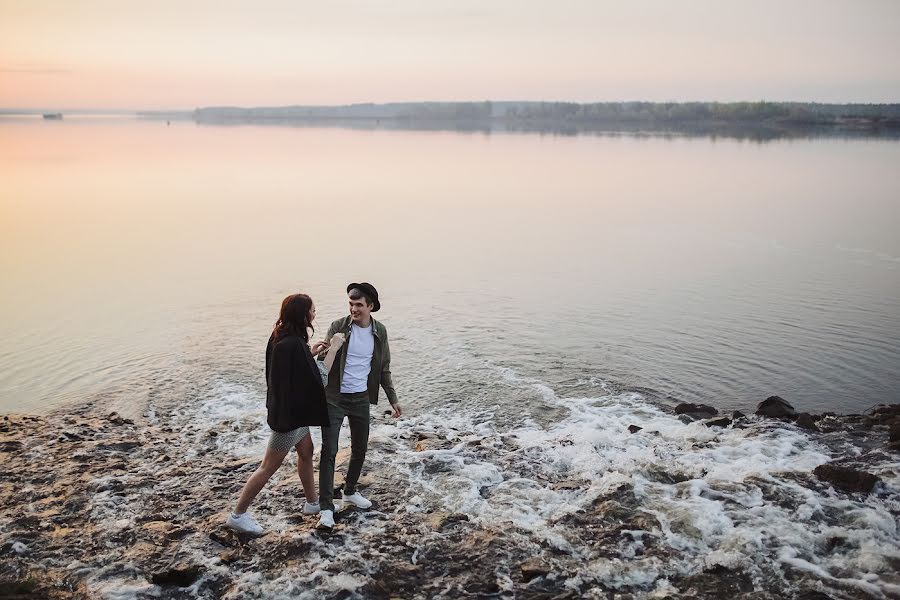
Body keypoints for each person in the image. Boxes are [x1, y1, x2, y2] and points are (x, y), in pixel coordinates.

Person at [225, 293, 331, 535]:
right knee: (267, 467)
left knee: (306, 450)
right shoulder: (291, 343)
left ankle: (312, 503)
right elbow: (318, 381)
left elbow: (291, 370)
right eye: (313, 310)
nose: (315, 313)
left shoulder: (281, 338)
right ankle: (238, 515)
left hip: (287, 410)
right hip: (288, 419)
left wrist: (309, 353)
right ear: (303, 314)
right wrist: (331, 352)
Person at [316, 282, 401, 530]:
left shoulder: (380, 332)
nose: (354, 309)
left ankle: (350, 490)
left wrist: (393, 398)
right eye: (351, 304)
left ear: (370, 306)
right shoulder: (338, 327)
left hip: (361, 398)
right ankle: (325, 508)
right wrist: (334, 345)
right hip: (334, 397)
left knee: (360, 448)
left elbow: (383, 368)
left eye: (359, 305)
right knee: (328, 451)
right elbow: (323, 366)